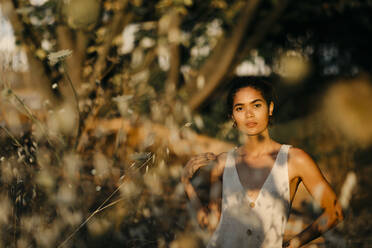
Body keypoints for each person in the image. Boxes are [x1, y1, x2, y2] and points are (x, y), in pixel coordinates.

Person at [181, 77, 344, 248]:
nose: (249, 114)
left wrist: (295, 243)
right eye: (240, 108)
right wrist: (187, 184)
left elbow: (335, 212)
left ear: (270, 108)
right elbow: (211, 224)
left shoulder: (295, 159)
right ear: (232, 117)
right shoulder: (223, 163)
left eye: (256, 105)